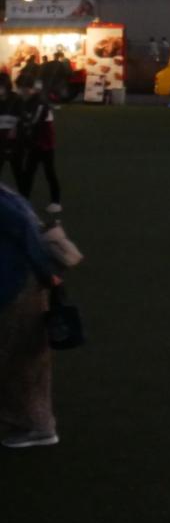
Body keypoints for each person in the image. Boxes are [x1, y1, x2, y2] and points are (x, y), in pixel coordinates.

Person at [0, 184, 60, 448]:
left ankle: (36, 426)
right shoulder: (7, 194)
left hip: (16, 285)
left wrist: (47, 274)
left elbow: (25, 228)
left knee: (20, 359)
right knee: (25, 357)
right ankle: (35, 423)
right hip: (22, 281)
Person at [16, 80, 61, 213]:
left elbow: (32, 123)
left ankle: (56, 201)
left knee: (49, 173)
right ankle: (23, 202)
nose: (22, 92)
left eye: (24, 89)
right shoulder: (25, 103)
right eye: (20, 89)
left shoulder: (41, 104)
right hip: (33, 145)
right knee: (28, 174)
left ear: (31, 89)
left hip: (45, 145)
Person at [0, 75, 22, 187]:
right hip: (1, 138)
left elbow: (22, 117)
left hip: (14, 140)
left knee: (17, 170)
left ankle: (23, 193)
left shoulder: (16, 99)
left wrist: (15, 128)